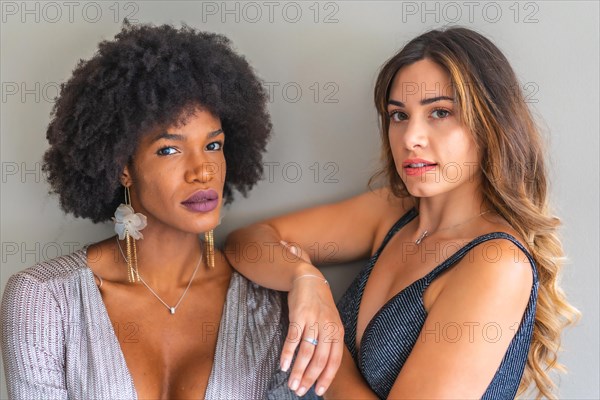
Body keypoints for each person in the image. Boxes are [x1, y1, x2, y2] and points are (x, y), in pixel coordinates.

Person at [225, 27, 579, 399]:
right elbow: (246, 242)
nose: (411, 138)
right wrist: (304, 280)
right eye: (399, 116)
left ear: (491, 124)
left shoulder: (496, 263)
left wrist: (327, 344)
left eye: (440, 112)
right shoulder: (394, 213)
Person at [0, 22, 332, 399]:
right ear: (122, 166)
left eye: (213, 145)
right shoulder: (44, 299)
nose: (202, 171)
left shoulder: (270, 307)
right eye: (169, 150)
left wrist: (307, 278)